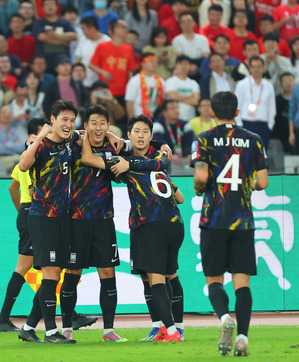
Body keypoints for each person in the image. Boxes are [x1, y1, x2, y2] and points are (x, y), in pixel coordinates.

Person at [83, 114, 184, 343]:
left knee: (156, 278)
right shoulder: (156, 158)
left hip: (151, 223)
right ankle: (168, 327)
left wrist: (127, 163)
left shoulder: (125, 162)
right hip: (173, 224)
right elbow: (180, 197)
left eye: (145, 132)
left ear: (150, 135)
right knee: (164, 275)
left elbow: (89, 159)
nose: (141, 135)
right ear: (129, 135)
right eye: (137, 131)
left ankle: (171, 330)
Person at [192, 91, 269, 357]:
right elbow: (263, 182)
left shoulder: (204, 139)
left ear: (211, 112)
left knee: (214, 279)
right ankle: (243, 338)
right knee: (242, 283)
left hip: (214, 220)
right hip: (243, 221)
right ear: (237, 113)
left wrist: (199, 187)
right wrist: (247, 184)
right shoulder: (254, 140)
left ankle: (225, 318)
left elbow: (201, 176)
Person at [59, 105, 132, 342]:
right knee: (72, 272)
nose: (98, 128)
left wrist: (162, 144)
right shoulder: (74, 144)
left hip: (103, 221)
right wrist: (81, 135)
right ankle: (67, 327)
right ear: (86, 125)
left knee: (108, 273)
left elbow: (140, 143)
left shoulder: (113, 150)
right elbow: (62, 132)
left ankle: (108, 330)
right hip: (76, 220)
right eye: (93, 123)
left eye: (102, 123)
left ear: (108, 125)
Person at [18, 100, 79, 344]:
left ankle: (28, 327)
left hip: (62, 217)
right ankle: (52, 332)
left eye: (72, 120)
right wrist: (39, 138)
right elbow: (23, 165)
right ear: (52, 120)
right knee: (51, 271)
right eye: (64, 119)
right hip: (43, 215)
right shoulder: (40, 145)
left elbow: (97, 134)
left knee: (54, 274)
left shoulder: (71, 142)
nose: (69, 124)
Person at [0, 117, 50, 332]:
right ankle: (2, 319)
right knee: (29, 267)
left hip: (28, 212)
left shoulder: (24, 158)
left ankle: (4, 319)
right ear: (32, 137)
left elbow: (12, 188)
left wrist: (21, 212)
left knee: (48, 267)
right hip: (34, 212)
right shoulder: (35, 157)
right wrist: (26, 213)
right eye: (43, 132)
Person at [89, 18, 136, 106]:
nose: (126, 30)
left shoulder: (129, 48)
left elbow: (130, 71)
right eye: (123, 27)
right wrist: (103, 72)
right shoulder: (102, 46)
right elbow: (91, 65)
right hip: (105, 91)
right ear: (114, 29)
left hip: (123, 91)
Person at [235, 56, 276, 149]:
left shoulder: (268, 86)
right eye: (253, 67)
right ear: (249, 69)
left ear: (264, 68)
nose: (256, 69)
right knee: (245, 155)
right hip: (245, 124)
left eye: (259, 66)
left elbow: (272, 107)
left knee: (261, 156)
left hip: (263, 126)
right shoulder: (242, 84)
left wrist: (270, 126)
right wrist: (239, 125)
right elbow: (237, 105)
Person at [32, 0, 78, 72]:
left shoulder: (65, 22)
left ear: (57, 7)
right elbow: (43, 37)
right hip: (45, 62)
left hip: (63, 61)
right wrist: (64, 40)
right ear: (43, 8)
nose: (49, 6)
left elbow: (74, 36)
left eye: (52, 4)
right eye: (47, 5)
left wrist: (54, 35)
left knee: (64, 83)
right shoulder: (39, 23)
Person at [0, 105, 26, 171]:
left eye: (9, 112)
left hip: (14, 157)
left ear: (12, 116)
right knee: (20, 161)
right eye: (3, 112)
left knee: (24, 160)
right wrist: (15, 146)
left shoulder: (14, 132)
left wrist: (8, 145)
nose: (7, 115)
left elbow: (22, 148)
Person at [153, 99, 194, 165]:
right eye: (172, 108)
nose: (176, 110)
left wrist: (191, 154)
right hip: (165, 161)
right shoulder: (157, 125)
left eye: (177, 107)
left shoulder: (186, 124)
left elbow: (192, 142)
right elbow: (158, 145)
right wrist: (170, 154)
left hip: (184, 161)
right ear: (164, 112)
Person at [125, 53, 165, 120]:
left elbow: (165, 99)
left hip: (157, 117)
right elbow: (129, 101)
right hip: (139, 117)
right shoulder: (135, 80)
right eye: (151, 61)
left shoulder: (161, 81)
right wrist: (131, 120)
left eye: (156, 62)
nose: (154, 64)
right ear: (142, 63)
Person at [74, 16, 110, 89]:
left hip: (99, 82)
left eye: (84, 29)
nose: (83, 32)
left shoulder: (107, 41)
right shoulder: (83, 39)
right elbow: (78, 58)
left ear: (92, 28)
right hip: (83, 81)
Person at [164, 55, 201, 122]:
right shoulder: (170, 81)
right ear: (176, 65)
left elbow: (196, 101)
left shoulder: (193, 83)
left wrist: (178, 98)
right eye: (181, 63)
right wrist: (190, 97)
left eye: (186, 64)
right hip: (174, 120)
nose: (183, 66)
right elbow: (172, 96)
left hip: (191, 119)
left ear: (190, 66)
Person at [273, 72, 295, 152]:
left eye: (290, 81)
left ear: (294, 83)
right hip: (278, 138)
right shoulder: (275, 100)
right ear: (281, 85)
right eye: (285, 81)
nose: (288, 84)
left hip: (297, 137)